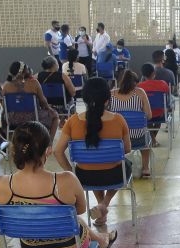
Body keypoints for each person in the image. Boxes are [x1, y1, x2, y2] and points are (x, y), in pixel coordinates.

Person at [0, 122, 117, 248]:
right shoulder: (65, 180)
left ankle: (101, 240)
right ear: (48, 151)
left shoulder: (1, 184)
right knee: (70, 221)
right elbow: (81, 209)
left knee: (65, 220)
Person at [53, 77, 131, 227]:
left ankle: (101, 209)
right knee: (124, 164)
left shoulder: (73, 121)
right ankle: (104, 204)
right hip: (115, 175)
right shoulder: (119, 120)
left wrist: (72, 173)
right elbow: (127, 149)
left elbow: (57, 151)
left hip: (85, 177)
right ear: (107, 99)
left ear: (85, 99)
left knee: (92, 166)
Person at [109, 69, 152, 177]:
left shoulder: (111, 94)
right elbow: (149, 115)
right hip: (138, 138)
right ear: (135, 83)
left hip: (118, 139)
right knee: (146, 139)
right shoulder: (140, 93)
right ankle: (146, 168)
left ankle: (118, 166)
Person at [2, 61, 60, 140]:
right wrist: (48, 108)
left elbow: (3, 105)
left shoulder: (6, 85)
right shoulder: (34, 83)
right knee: (55, 116)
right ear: (25, 71)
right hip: (32, 117)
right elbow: (43, 102)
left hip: (12, 119)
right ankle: (49, 143)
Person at [138, 63, 172, 148]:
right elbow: (168, 95)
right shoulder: (163, 84)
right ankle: (153, 140)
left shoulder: (139, 87)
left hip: (145, 115)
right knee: (159, 117)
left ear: (143, 75)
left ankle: (152, 139)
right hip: (160, 114)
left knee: (147, 117)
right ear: (154, 73)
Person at [37, 56, 76, 121]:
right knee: (71, 100)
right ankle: (64, 121)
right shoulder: (63, 76)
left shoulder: (37, 76)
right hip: (62, 105)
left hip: (46, 105)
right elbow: (73, 93)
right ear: (54, 65)